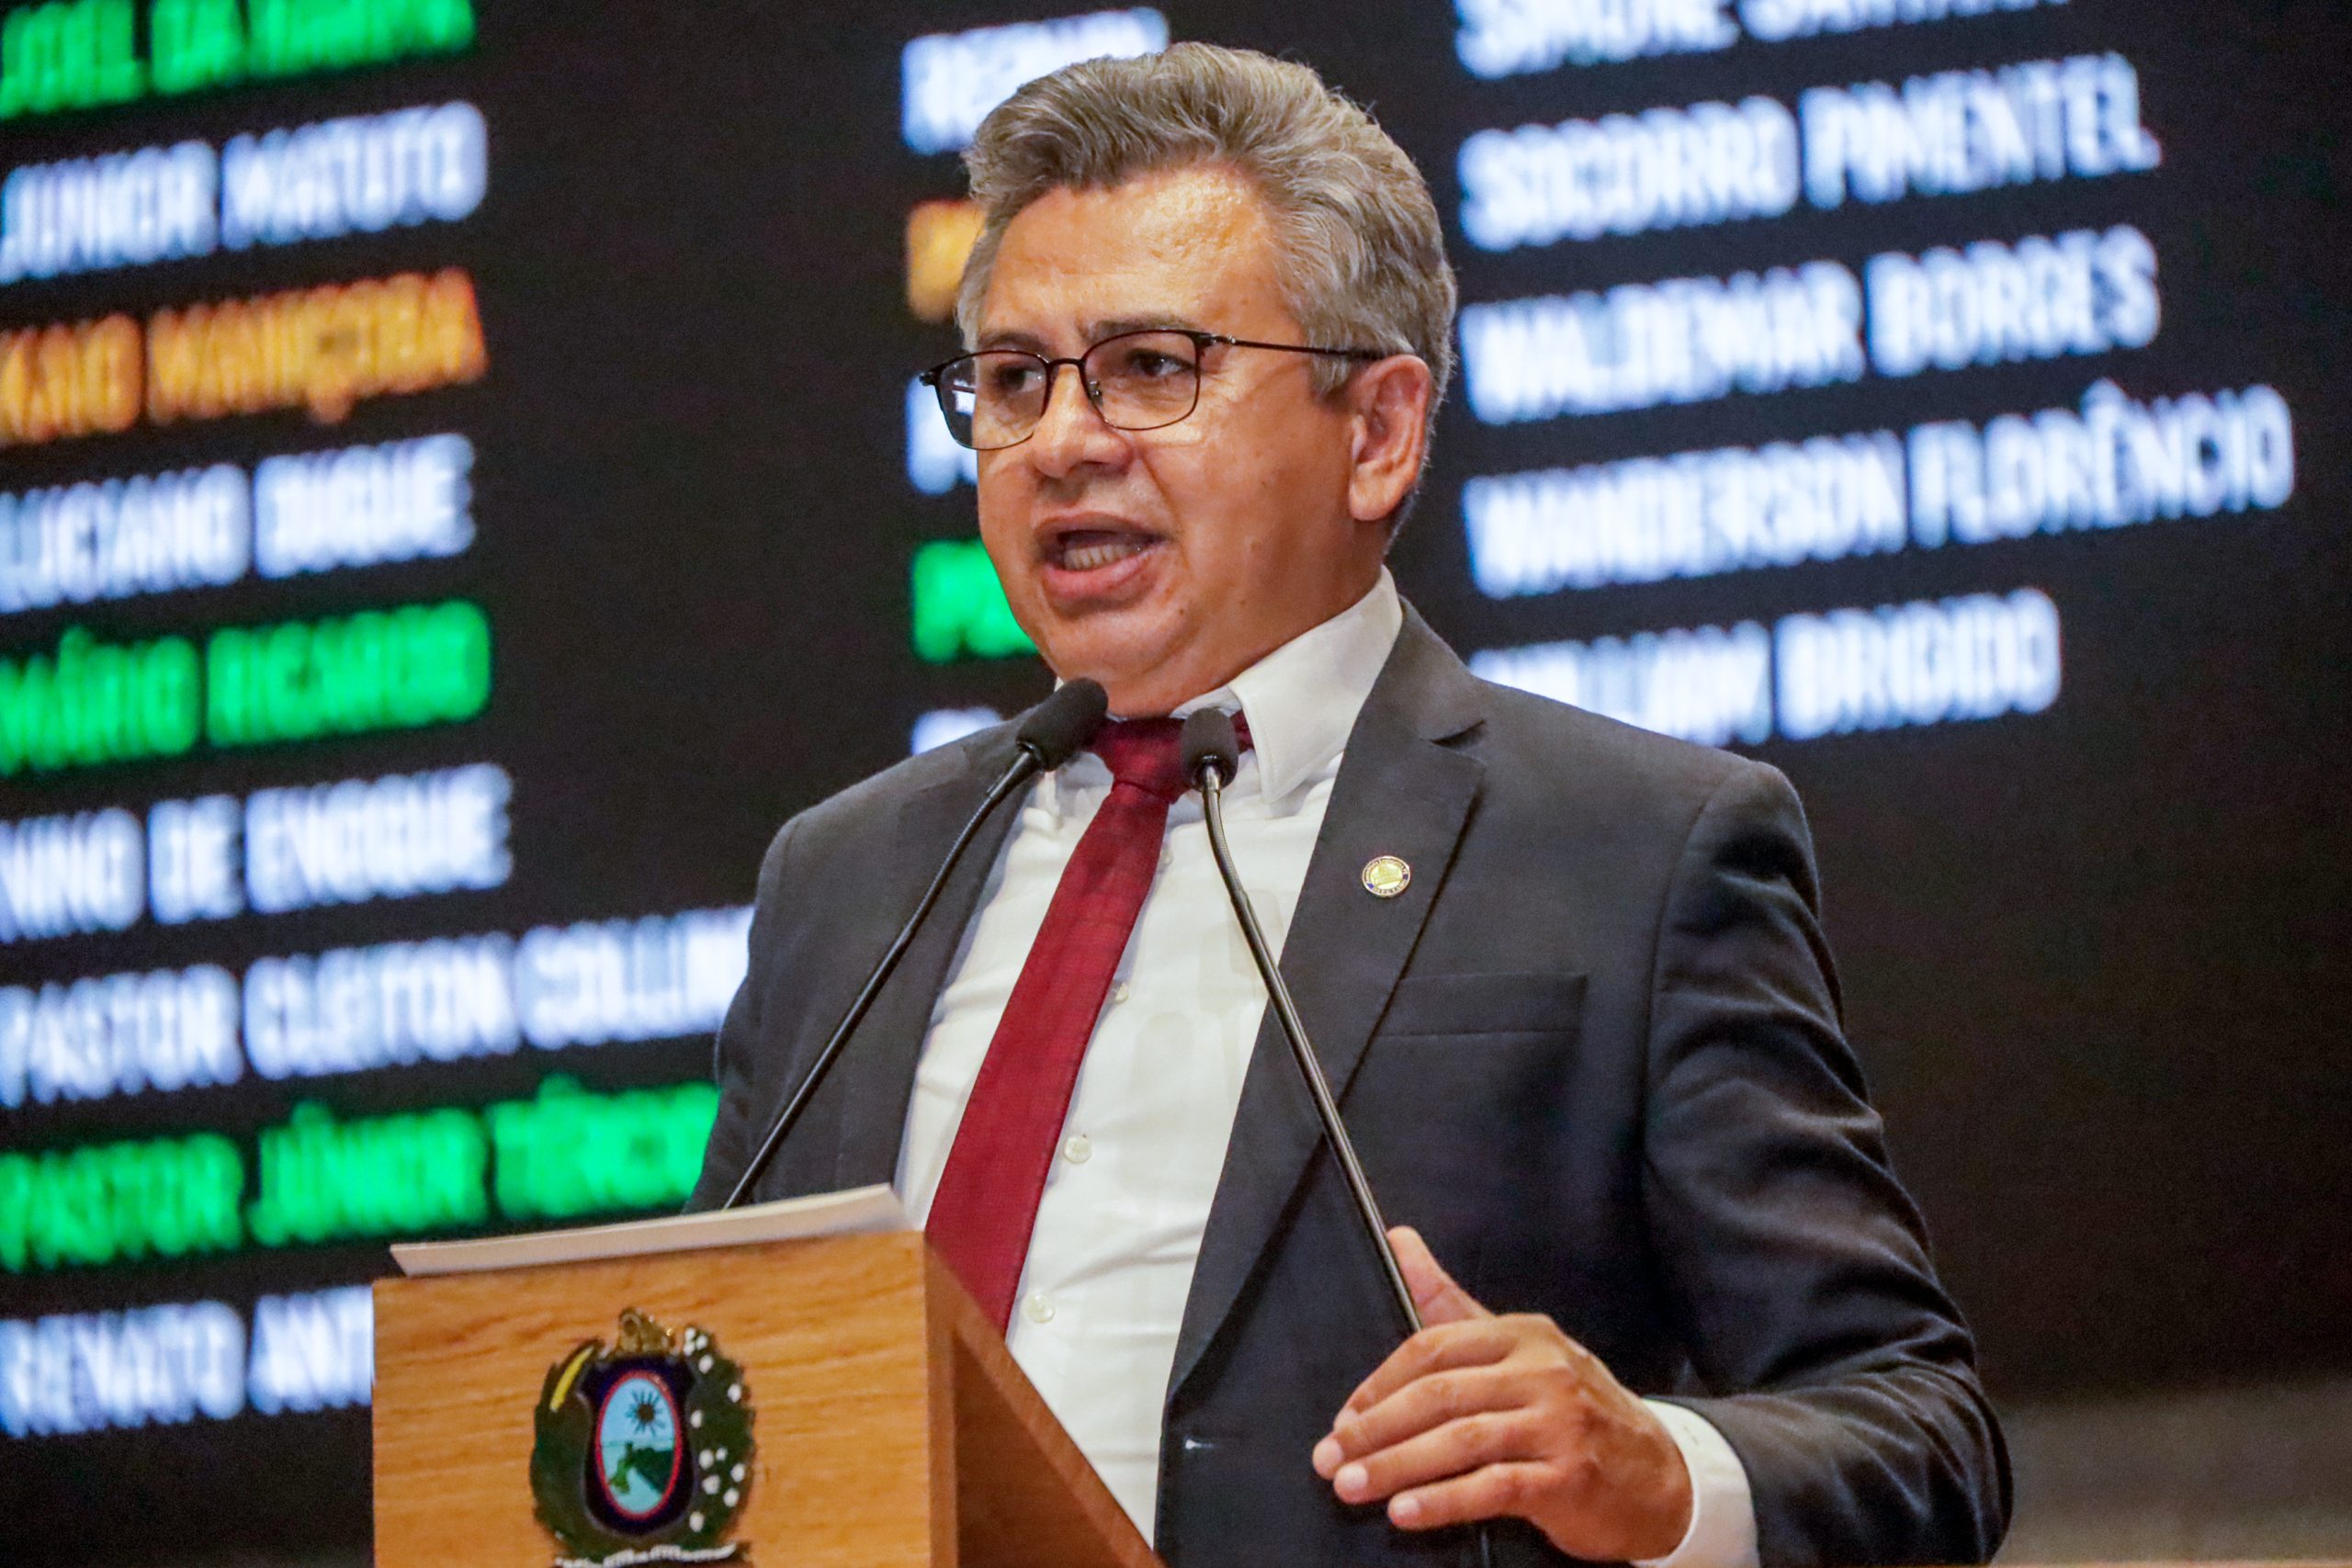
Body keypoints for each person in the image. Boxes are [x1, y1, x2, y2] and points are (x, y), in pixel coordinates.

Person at [690, 43, 2007, 1568]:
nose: (1061, 442)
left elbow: (1919, 1434)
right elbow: (702, 1389)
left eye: (1152, 367)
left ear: (1376, 432)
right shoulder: (847, 877)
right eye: (1014, 379)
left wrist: (1653, 1471)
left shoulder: (1636, 854)